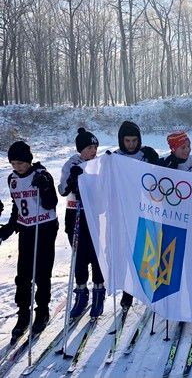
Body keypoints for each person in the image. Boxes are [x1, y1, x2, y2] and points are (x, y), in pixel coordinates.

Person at [0, 141, 59, 339]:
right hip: (26, 229)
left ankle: (42, 310)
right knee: (23, 275)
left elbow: (51, 203)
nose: (17, 167)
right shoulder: (12, 179)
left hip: (45, 228)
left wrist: (45, 187)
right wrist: (8, 228)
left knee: (42, 273)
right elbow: (17, 207)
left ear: (29, 160)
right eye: (13, 163)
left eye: (21, 163)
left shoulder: (41, 175)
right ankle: (23, 313)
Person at [58, 128, 105, 318]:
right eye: (89, 148)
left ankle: (99, 292)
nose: (93, 151)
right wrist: (72, 179)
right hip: (75, 214)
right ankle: (81, 292)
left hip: (93, 214)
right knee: (79, 256)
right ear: (80, 150)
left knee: (96, 254)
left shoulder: (98, 164)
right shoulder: (72, 163)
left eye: (95, 147)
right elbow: (62, 190)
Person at [114, 120, 159, 309]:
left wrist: (155, 160)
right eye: (127, 141)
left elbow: (160, 175)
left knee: (146, 250)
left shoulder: (146, 154)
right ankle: (128, 291)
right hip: (124, 211)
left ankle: (150, 287)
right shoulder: (115, 157)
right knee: (127, 251)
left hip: (145, 209)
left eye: (134, 140)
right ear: (121, 140)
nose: (131, 144)